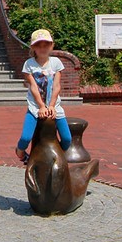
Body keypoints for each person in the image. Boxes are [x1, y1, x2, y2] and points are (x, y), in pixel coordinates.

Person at [15, 29, 72, 162]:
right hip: (35, 106)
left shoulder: (56, 63)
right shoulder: (29, 64)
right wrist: (41, 106)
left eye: (46, 45)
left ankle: (57, 154)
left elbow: (56, 86)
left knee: (67, 138)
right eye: (38, 45)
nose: (42, 48)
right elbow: (33, 87)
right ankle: (20, 153)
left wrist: (51, 106)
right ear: (33, 47)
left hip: (54, 105)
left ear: (51, 45)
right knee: (25, 138)